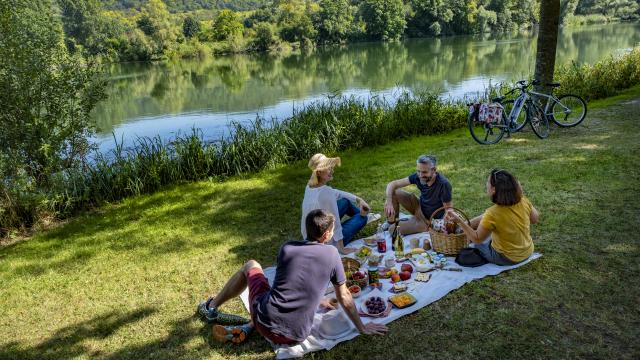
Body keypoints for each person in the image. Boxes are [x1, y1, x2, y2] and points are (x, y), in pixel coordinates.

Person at [197, 209, 388, 344]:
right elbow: (344, 296)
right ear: (327, 234)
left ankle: (211, 308)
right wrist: (362, 327)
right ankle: (241, 325)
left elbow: (289, 282)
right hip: (295, 336)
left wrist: (318, 299)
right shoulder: (332, 254)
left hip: (264, 320)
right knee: (273, 297)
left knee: (252, 265)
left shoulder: (287, 248)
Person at [447, 169, 539, 265]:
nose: (486, 184)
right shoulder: (523, 201)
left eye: (488, 182)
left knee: (478, 243)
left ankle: (465, 228)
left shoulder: (492, 213)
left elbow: (477, 239)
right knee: (488, 224)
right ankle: (468, 225)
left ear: (494, 189)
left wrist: (460, 222)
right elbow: (535, 219)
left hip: (507, 258)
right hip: (528, 251)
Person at [301, 153, 380, 255]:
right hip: (327, 242)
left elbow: (337, 193)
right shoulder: (326, 193)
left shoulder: (309, 187)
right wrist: (341, 248)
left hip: (310, 235)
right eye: (329, 168)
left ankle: (363, 213)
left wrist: (358, 199)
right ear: (319, 172)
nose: (332, 170)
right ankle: (364, 216)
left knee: (345, 202)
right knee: (362, 218)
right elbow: (336, 222)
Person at [384, 155, 452, 235]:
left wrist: (438, 226)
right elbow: (392, 184)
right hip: (419, 207)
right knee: (394, 192)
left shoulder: (443, 184)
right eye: (418, 171)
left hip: (428, 220)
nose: (420, 175)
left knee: (392, 230)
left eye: (424, 172)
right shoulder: (418, 176)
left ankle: (424, 227)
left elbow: (449, 211)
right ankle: (391, 222)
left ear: (434, 170)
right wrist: (389, 202)